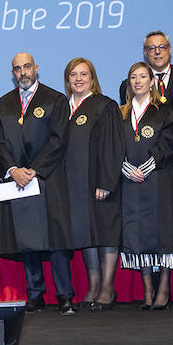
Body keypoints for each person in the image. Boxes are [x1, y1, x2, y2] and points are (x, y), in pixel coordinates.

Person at [0, 52, 75, 315]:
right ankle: (35, 294)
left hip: (47, 179)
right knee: (27, 239)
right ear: (13, 72)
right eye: (17, 69)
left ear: (36, 68)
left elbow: (58, 140)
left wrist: (34, 170)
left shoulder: (55, 99)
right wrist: (14, 169)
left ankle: (64, 296)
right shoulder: (4, 103)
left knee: (56, 239)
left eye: (27, 67)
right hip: (17, 180)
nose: (23, 73)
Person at [60, 57, 124, 311]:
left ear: (92, 78)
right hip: (74, 185)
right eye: (73, 75)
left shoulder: (104, 106)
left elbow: (113, 147)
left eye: (83, 74)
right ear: (67, 80)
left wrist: (106, 181)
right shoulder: (63, 109)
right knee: (85, 233)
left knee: (105, 232)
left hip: (99, 183)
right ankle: (93, 284)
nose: (78, 79)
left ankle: (108, 287)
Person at [118, 61, 173, 310]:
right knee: (136, 233)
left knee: (162, 232)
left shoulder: (164, 110)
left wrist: (147, 167)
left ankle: (164, 287)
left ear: (151, 81)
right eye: (133, 77)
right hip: (129, 180)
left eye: (143, 77)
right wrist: (126, 168)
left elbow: (169, 141)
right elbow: (113, 145)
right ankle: (147, 288)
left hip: (158, 178)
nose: (138, 81)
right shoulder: (121, 112)